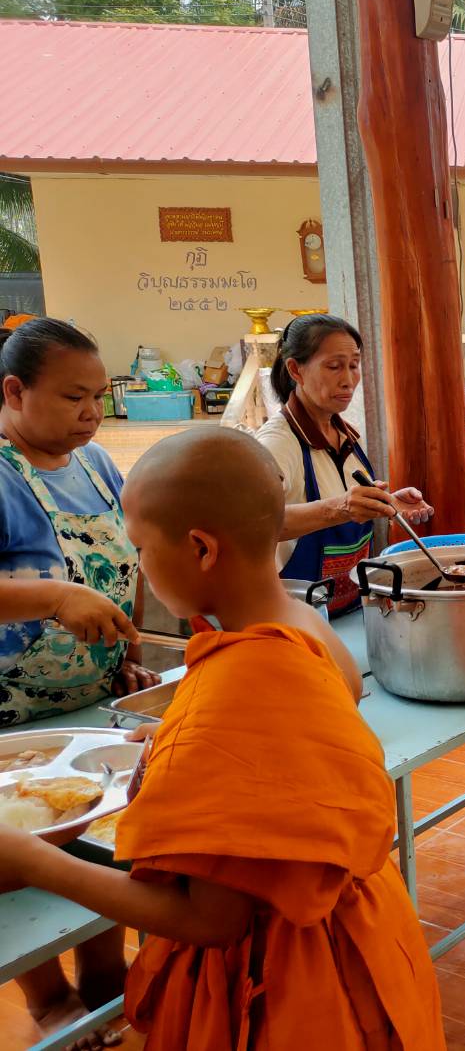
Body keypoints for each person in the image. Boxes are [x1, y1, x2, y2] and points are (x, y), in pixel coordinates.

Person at [0, 427, 446, 1051]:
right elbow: (292, 751)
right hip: (362, 929)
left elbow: (211, 919)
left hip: (287, 976)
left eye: (141, 549)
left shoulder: (240, 680)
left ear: (201, 548)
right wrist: (181, 739)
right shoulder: (307, 625)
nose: (139, 569)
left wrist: (34, 862)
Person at [0, 320, 162, 1049]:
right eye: (73, 397)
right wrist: (55, 597)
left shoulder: (95, 464)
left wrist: (121, 653)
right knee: (19, 851)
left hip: (89, 700)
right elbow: (63, 591)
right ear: (14, 391)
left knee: (97, 832)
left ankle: (101, 970)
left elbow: (125, 562)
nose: (93, 413)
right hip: (11, 711)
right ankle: (45, 996)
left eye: (100, 396)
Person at [256, 314, 432, 618]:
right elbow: (253, 525)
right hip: (296, 619)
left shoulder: (346, 435)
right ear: (295, 370)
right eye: (334, 366)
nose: (348, 379)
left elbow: (346, 501)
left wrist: (386, 503)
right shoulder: (277, 443)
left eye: (354, 365)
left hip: (350, 609)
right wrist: (341, 509)